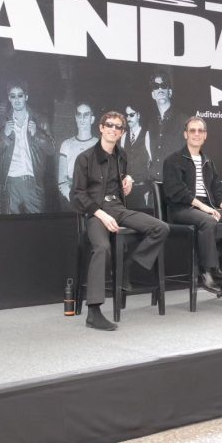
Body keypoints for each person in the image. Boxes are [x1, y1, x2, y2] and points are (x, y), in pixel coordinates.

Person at [72, 111, 169, 331]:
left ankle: (126, 267)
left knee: (160, 228)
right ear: (101, 127)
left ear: (122, 132)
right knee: (102, 248)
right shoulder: (85, 158)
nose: (113, 130)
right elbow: (77, 195)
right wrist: (100, 213)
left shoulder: (121, 155)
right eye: (109, 125)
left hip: (118, 208)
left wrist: (128, 179)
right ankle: (94, 312)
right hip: (96, 213)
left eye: (118, 127)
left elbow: (122, 179)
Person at [163, 116, 222, 295]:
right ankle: (207, 272)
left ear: (205, 135)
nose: (196, 134)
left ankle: (217, 258)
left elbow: (216, 189)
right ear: (185, 134)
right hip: (183, 209)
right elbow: (176, 192)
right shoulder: (173, 160)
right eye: (192, 130)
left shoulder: (208, 161)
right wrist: (203, 207)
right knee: (209, 221)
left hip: (209, 207)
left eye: (200, 131)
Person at [0, 80, 55, 214]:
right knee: (10, 225)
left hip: (33, 183)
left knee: (37, 224)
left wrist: (37, 134)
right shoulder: (1, 121)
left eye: (20, 95)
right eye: (13, 96)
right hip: (11, 184)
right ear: (9, 98)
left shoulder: (40, 120)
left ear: (26, 97)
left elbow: (51, 150)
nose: (17, 99)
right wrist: (4, 135)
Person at [148, 69, 188, 180]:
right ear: (153, 95)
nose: (160, 89)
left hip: (175, 183)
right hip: (154, 184)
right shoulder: (151, 123)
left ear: (169, 92)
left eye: (163, 85)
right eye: (156, 86)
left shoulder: (184, 121)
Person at [58, 103, 98, 204]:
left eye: (86, 115)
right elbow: (62, 179)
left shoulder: (100, 145)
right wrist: (71, 197)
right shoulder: (66, 144)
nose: (82, 118)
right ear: (76, 118)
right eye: (79, 115)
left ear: (92, 119)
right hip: (71, 196)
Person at [120, 104, 151, 209]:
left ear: (138, 115)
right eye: (126, 115)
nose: (128, 118)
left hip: (143, 189)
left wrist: (148, 189)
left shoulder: (147, 134)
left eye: (132, 115)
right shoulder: (124, 136)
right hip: (128, 190)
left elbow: (151, 163)